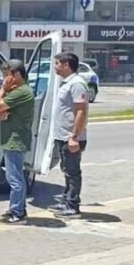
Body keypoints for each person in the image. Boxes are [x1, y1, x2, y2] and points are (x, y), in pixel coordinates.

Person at [0, 59, 35, 225]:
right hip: (10, 139)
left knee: (15, 178)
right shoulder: (15, 91)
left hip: (15, 140)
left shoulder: (21, 92)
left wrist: (3, 90)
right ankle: (17, 206)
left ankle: (18, 213)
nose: (4, 79)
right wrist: (0, 111)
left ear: (17, 74)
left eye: (6, 75)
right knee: (14, 176)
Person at [51, 52, 89, 219]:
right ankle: (66, 200)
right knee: (66, 170)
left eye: (57, 63)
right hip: (63, 135)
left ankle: (73, 206)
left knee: (73, 172)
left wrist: (74, 136)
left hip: (71, 137)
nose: (55, 67)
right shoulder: (66, 83)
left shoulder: (77, 84)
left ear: (66, 65)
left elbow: (81, 111)